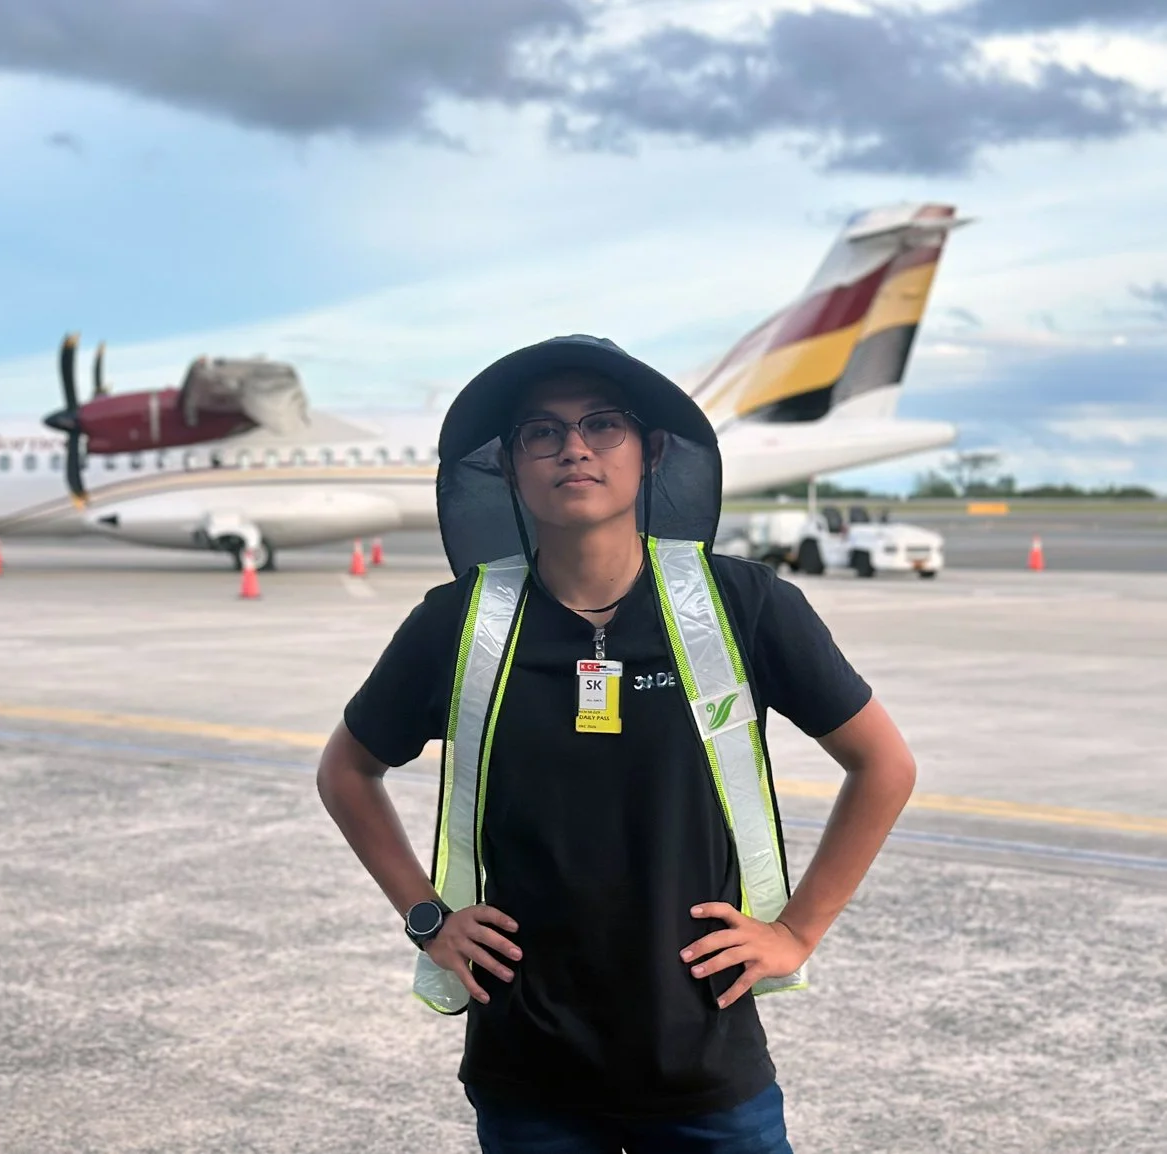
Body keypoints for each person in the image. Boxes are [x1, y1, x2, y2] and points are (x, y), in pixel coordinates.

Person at [316, 336, 917, 1153]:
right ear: (510, 464)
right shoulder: (456, 623)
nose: (573, 448)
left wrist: (796, 932)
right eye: (542, 432)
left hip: (702, 1061)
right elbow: (347, 770)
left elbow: (883, 765)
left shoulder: (742, 605)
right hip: (530, 1069)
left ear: (650, 450)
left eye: (602, 425)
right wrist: (427, 916)